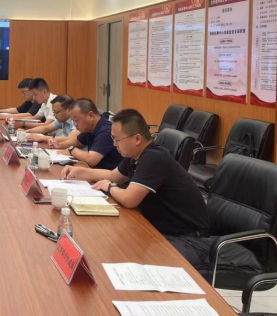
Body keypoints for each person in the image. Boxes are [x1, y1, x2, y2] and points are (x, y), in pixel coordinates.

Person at [61, 109, 209, 267]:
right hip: (161, 229)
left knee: (130, 259)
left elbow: (129, 199)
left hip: (189, 239)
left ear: (137, 139)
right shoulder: (134, 155)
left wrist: (109, 187)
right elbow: (113, 175)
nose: (114, 144)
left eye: (117, 139)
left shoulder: (154, 157)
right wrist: (80, 172)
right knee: (112, 247)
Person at [56, 98, 122, 170]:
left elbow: (91, 159)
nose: (75, 124)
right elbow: (78, 142)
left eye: (77, 120)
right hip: (97, 171)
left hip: (110, 174)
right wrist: (59, 144)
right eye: (73, 120)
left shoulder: (106, 131)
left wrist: (72, 150)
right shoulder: (90, 127)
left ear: (91, 116)